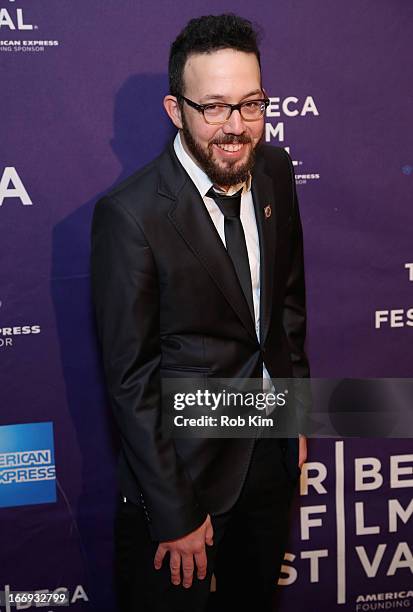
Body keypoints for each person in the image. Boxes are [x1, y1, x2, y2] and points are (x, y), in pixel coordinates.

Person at [91, 13, 309, 612]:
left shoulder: (276, 172)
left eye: (251, 104)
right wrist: (175, 510)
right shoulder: (131, 216)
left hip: (269, 454)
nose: (235, 128)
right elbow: (131, 380)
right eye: (214, 107)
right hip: (182, 473)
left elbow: (287, 308)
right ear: (174, 109)